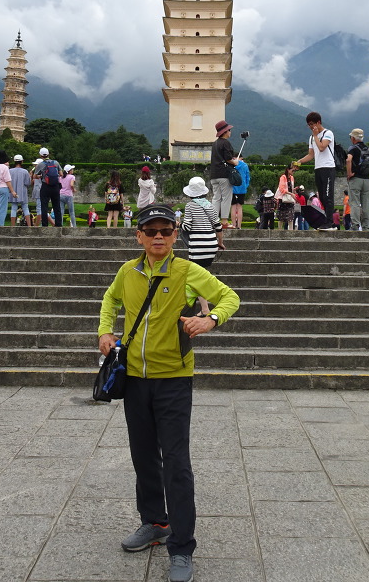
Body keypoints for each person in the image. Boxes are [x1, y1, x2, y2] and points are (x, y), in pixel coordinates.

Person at [98, 204, 239, 582]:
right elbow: (110, 299)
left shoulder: (187, 271)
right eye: (151, 231)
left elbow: (229, 297)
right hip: (135, 379)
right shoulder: (127, 272)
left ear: (176, 235)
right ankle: (155, 522)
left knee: (176, 463)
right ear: (139, 236)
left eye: (165, 231)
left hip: (174, 379)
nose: (158, 236)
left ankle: (181, 546)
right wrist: (105, 330)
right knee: (143, 456)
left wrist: (210, 319)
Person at [293, 111, 336, 230]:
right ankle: (325, 220)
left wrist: (316, 135)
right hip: (318, 168)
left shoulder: (328, 133)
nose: (311, 127)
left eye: (312, 124)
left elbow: (322, 147)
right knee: (321, 197)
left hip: (328, 168)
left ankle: (330, 222)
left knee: (328, 196)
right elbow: (311, 155)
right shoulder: (312, 137)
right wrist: (299, 161)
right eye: (309, 125)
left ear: (318, 122)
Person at [181, 176, 224, 271]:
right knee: (203, 273)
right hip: (212, 244)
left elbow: (187, 227)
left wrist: (177, 224)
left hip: (197, 245)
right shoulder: (210, 206)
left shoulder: (189, 206)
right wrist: (220, 243)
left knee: (195, 273)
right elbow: (218, 226)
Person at [209, 120, 240, 229]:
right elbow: (228, 158)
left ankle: (214, 221)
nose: (230, 132)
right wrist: (235, 162)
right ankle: (224, 221)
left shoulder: (215, 143)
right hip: (224, 175)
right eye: (229, 130)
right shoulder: (225, 143)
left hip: (214, 175)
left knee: (216, 198)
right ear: (225, 132)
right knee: (226, 198)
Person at [345, 128, 369, 230]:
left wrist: (349, 173)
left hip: (356, 179)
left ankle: (355, 225)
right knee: (366, 204)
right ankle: (366, 227)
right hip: (367, 180)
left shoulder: (353, 148)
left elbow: (348, 160)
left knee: (355, 203)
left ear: (353, 138)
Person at [34, 147, 63, 228]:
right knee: (57, 206)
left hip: (45, 186)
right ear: (48, 154)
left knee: (44, 206)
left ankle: (45, 225)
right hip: (55, 186)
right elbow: (61, 174)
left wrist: (41, 176)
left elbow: (35, 176)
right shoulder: (56, 163)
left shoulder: (41, 164)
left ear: (40, 155)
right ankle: (58, 225)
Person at [9, 155, 33, 227]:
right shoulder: (25, 171)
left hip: (13, 191)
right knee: (25, 208)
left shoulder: (10, 171)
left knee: (13, 208)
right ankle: (29, 226)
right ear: (22, 161)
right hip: (23, 192)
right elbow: (27, 183)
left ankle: (12, 226)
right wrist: (30, 176)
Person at [274, 165, 297, 230]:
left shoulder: (292, 178)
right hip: (283, 199)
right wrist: (291, 193)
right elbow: (281, 189)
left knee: (291, 217)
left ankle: (290, 231)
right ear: (288, 170)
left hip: (289, 199)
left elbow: (290, 188)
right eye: (293, 170)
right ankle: (280, 230)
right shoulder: (283, 177)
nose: (293, 172)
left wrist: (294, 190)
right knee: (281, 217)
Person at [230, 159, 250, 229]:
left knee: (233, 207)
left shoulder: (231, 164)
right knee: (239, 207)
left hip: (232, 188)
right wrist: (245, 186)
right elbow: (248, 177)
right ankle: (239, 226)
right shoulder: (245, 165)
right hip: (242, 189)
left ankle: (233, 225)